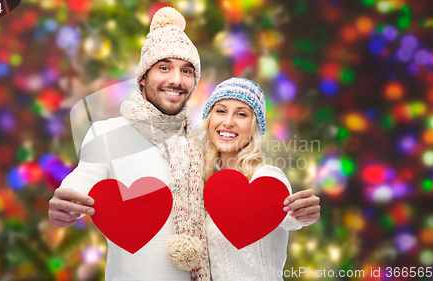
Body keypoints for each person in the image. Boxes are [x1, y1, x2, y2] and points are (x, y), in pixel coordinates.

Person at [48, 7, 210, 280]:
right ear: (143, 77)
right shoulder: (107, 134)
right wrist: (65, 202)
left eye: (187, 71)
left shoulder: (199, 148)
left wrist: (295, 215)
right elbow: (85, 176)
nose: (176, 79)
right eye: (164, 67)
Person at [195, 77, 321, 281]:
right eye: (221, 111)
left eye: (241, 114)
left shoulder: (266, 176)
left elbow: (287, 216)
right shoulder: (203, 183)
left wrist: (303, 213)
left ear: (254, 127)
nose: (228, 122)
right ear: (210, 118)